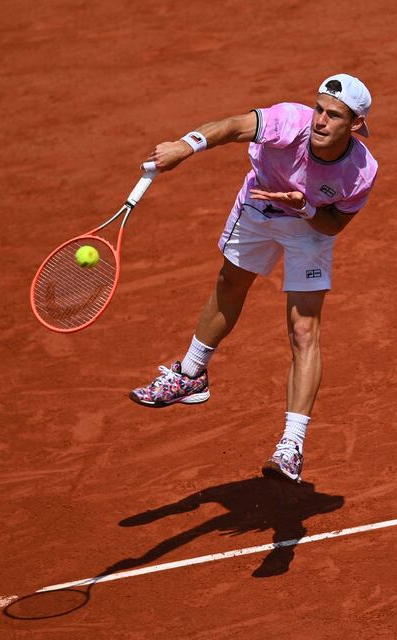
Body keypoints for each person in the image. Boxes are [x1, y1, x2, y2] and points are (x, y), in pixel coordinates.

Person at [129, 73, 379, 483]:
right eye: (318, 108)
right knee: (230, 283)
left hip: (308, 227)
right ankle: (191, 375)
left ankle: (291, 445)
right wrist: (184, 146)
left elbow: (334, 226)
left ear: (353, 125)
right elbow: (232, 127)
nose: (319, 120)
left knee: (304, 329)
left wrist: (305, 208)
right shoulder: (288, 121)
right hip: (260, 207)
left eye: (333, 115)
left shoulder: (361, 171)